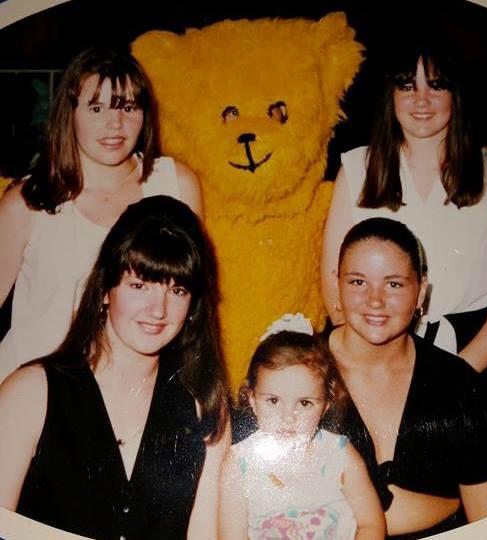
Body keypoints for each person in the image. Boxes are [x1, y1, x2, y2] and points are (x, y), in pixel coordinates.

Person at [0, 195, 229, 540]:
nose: (158, 310)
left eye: (178, 290)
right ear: (106, 288)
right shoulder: (29, 393)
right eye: (139, 285)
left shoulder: (204, 406)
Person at [321, 38, 487, 372]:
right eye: (407, 86)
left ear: (456, 94)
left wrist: (460, 373)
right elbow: (334, 280)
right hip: (380, 357)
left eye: (436, 85)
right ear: (390, 95)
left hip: (479, 356)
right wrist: (368, 364)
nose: (421, 100)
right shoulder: (355, 169)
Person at [0, 46, 203, 383]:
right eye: (97, 108)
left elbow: (194, 298)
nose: (115, 124)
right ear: (70, 111)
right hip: (31, 389)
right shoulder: (28, 199)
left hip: (132, 391)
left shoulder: (175, 183)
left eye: (128, 107)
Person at [328, 217, 487, 539]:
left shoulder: (459, 386)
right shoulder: (294, 375)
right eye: (358, 282)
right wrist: (444, 506)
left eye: (394, 284)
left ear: (421, 293)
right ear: (337, 285)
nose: (375, 300)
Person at [220, 318, 386, 540]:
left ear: (326, 405)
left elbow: (371, 525)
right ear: (252, 399)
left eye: (305, 403)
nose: (288, 417)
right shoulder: (239, 464)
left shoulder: (340, 454)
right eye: (273, 401)